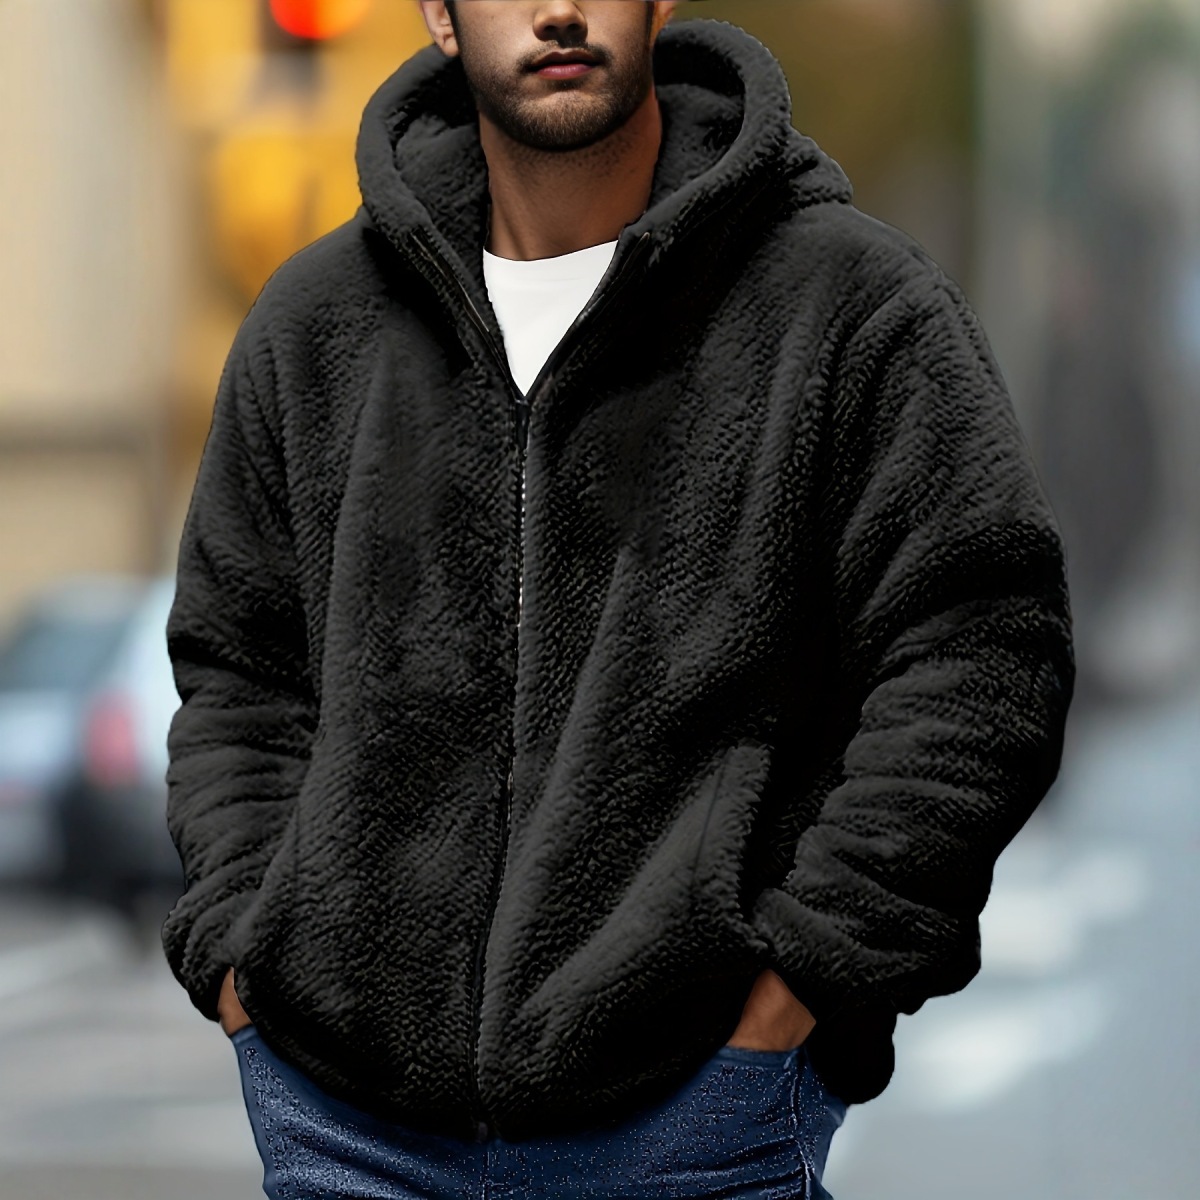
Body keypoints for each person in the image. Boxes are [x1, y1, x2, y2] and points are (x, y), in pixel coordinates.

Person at [161, 3, 1076, 1197]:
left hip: (690, 1120)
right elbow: (237, 674)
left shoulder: (847, 304)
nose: (557, 9)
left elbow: (982, 648)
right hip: (349, 1130)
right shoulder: (315, 325)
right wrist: (242, 957)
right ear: (438, 14)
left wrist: (808, 974)